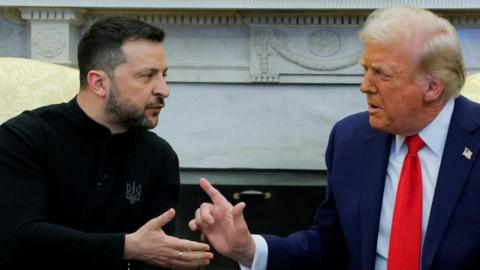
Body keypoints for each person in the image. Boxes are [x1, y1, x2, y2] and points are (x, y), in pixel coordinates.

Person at [189, 5, 480, 270]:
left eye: (382, 74)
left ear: (432, 87)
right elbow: (329, 245)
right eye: (366, 70)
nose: (365, 86)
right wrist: (249, 250)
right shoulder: (351, 139)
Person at [0, 16, 213, 270]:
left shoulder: (159, 155)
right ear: (99, 83)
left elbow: (157, 254)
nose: (163, 90)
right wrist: (126, 247)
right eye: (147, 77)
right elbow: (20, 239)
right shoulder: (23, 137)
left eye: (164, 75)